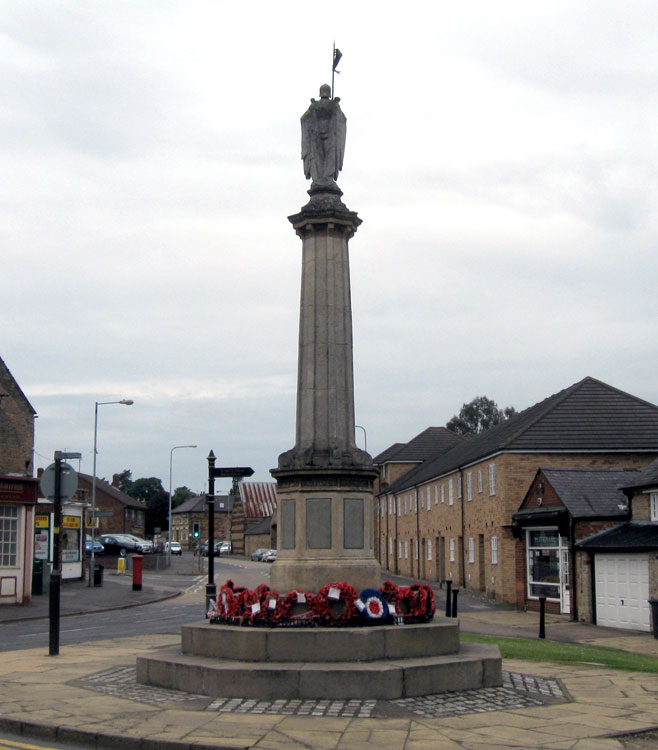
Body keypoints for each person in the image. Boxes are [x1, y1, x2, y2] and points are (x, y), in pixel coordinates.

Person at [301, 84, 346, 189]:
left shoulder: (314, 106)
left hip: (316, 135)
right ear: (329, 93)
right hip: (330, 136)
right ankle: (326, 178)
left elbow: (304, 118)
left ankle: (319, 178)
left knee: (318, 159)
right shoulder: (333, 105)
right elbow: (341, 119)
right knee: (330, 158)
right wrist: (335, 105)